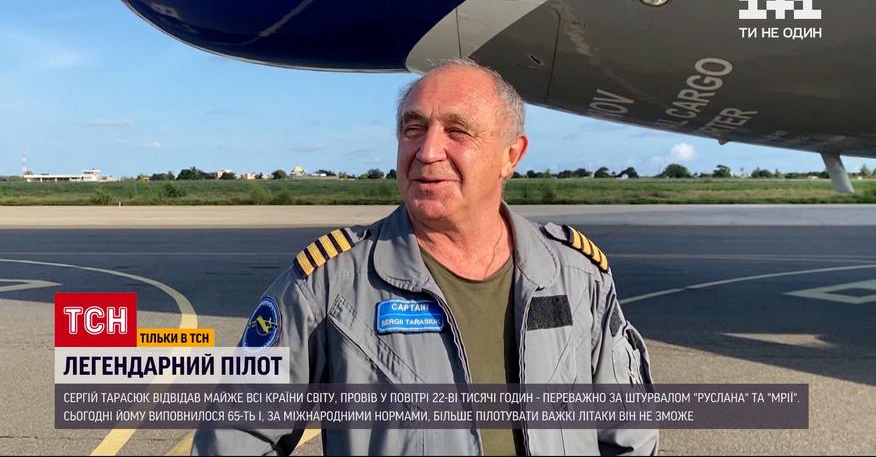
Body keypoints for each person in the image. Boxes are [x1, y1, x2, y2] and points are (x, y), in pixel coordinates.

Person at [192, 58, 657, 456]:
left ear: (510, 155)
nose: (427, 151)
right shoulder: (327, 283)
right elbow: (234, 439)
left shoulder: (577, 275)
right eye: (413, 129)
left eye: (457, 131)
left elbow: (628, 434)